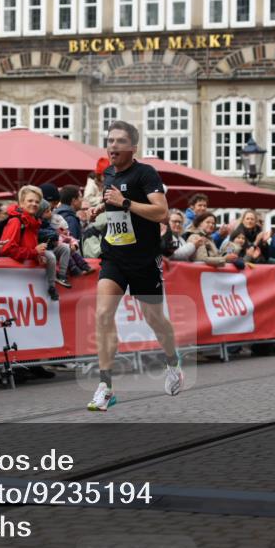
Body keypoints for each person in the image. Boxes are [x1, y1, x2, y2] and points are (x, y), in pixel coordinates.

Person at [85, 120, 182, 412]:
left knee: (154, 319)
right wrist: (101, 208)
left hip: (144, 259)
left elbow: (162, 212)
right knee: (103, 313)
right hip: (114, 255)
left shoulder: (146, 173)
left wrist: (124, 202)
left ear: (132, 147)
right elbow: (114, 201)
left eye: (119, 141)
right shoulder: (109, 173)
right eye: (109, 140)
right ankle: (105, 387)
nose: (112, 145)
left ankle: (173, 362)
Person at [1, 186, 66, 301]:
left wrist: (37, 256)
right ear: (21, 203)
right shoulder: (16, 221)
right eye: (30, 201)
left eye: (37, 201)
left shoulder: (33, 222)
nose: (34, 204)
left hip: (25, 283)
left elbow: (28, 247)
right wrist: (34, 252)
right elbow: (7, 249)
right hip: (14, 282)